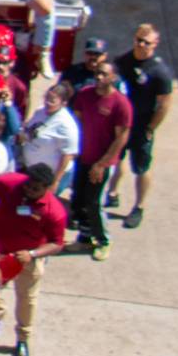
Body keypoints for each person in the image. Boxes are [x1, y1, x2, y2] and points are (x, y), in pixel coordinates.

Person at [0, 163, 69, 356]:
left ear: (47, 188)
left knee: (27, 300)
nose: (29, 190)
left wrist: (32, 254)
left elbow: (57, 243)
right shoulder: (8, 183)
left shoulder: (54, 211)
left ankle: (22, 339)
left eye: (36, 188)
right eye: (28, 185)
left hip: (28, 260)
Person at [66, 40, 133, 258]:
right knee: (80, 201)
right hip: (83, 158)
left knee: (95, 203)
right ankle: (85, 238)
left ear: (113, 77)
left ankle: (103, 240)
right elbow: (78, 122)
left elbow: (121, 137)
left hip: (102, 162)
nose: (99, 77)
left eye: (104, 74)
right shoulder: (85, 95)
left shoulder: (120, 104)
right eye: (97, 74)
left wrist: (102, 164)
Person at [110, 21, 177, 226]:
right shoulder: (122, 62)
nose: (140, 45)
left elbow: (164, 105)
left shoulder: (159, 72)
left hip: (141, 127)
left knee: (140, 168)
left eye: (146, 42)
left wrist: (150, 129)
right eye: (138, 40)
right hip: (121, 124)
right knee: (115, 159)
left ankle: (139, 206)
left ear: (155, 44)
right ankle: (112, 192)